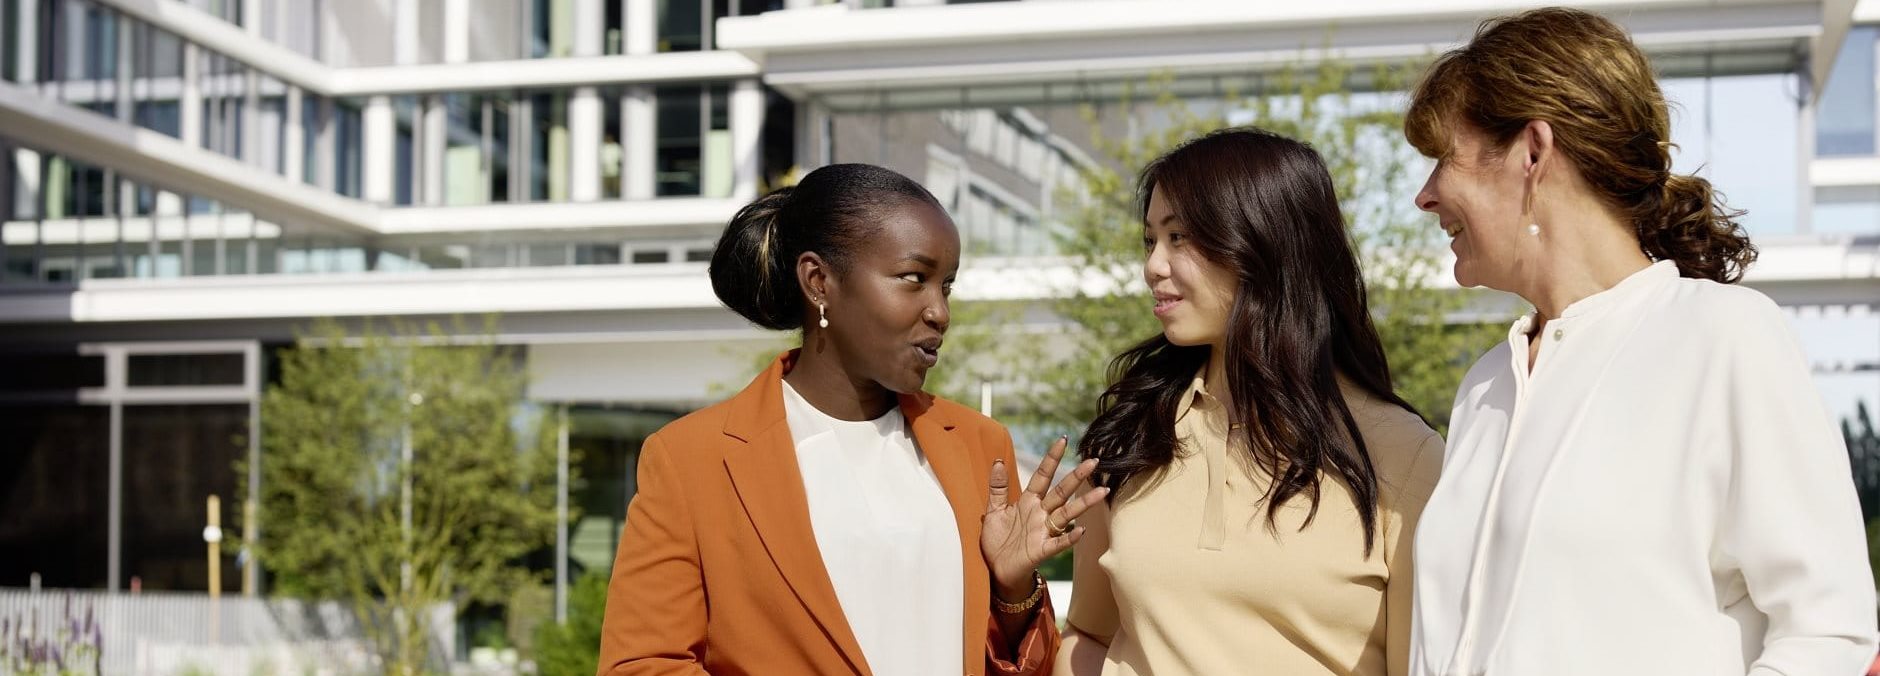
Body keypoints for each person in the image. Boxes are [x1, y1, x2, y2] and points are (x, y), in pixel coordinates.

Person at [1402, 8, 1878, 675]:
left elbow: (1830, 631)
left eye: (1442, 160)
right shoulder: (1486, 385)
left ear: (1532, 153)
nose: (1425, 197)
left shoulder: (1724, 337)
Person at [594, 163, 1102, 675]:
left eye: (945, 286)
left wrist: (1014, 592)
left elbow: (1018, 663)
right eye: (913, 279)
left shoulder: (979, 443)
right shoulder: (692, 459)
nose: (940, 312)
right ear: (819, 281)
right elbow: (643, 664)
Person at [1056, 128, 1444, 675]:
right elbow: (1088, 634)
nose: (1153, 266)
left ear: (1262, 244)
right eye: (1150, 241)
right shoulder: (1132, 435)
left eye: (1179, 237)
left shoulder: (1402, 454)